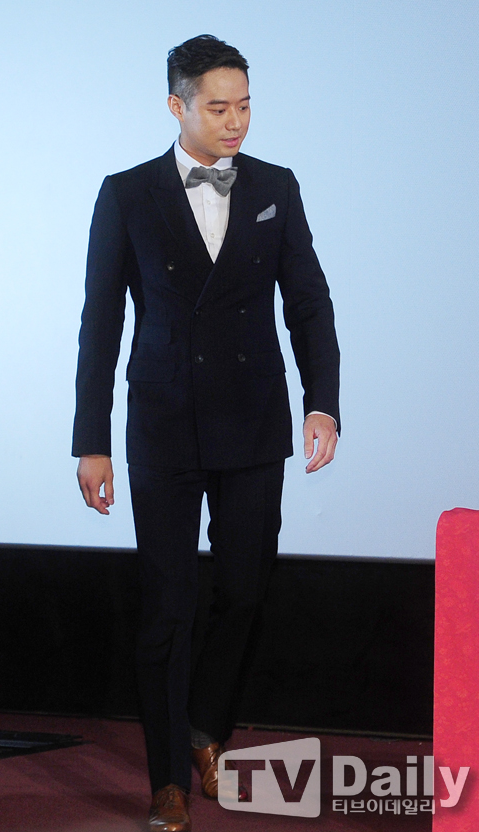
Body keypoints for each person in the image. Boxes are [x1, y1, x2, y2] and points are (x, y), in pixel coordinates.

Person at [73, 34, 340, 832]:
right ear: (176, 106)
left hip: (253, 419)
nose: (236, 122)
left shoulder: (276, 186)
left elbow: (309, 301)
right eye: (219, 107)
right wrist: (91, 440)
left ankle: (204, 728)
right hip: (163, 422)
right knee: (168, 604)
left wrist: (322, 402)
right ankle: (167, 782)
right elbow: (100, 322)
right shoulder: (126, 194)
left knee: (246, 587)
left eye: (245, 105)